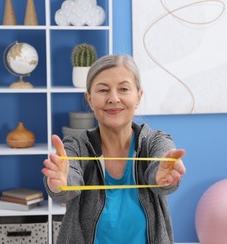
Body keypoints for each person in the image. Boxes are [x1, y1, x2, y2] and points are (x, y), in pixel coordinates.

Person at [42, 54, 186, 244]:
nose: (114, 98)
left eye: (124, 89)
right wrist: (59, 183)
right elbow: (68, 181)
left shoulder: (156, 141)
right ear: (89, 99)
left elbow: (160, 171)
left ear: (138, 97)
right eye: (103, 90)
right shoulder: (76, 146)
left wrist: (162, 178)